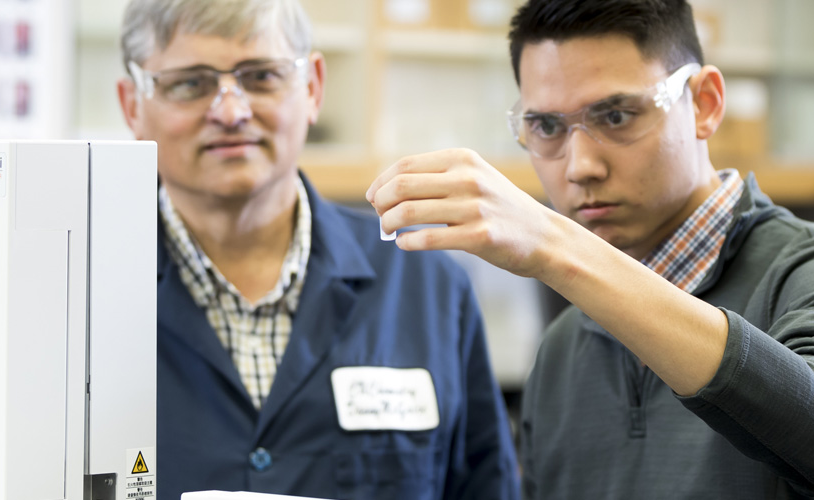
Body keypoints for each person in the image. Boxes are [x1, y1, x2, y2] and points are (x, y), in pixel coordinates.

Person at [366, 0, 814, 498]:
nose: (580, 166)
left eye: (616, 116)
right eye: (547, 127)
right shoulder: (562, 348)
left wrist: (557, 246)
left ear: (705, 103)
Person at [115, 0, 520, 498]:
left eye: (261, 76)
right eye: (190, 83)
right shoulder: (84, 291)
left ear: (312, 88)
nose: (231, 111)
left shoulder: (427, 284)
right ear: (133, 105)